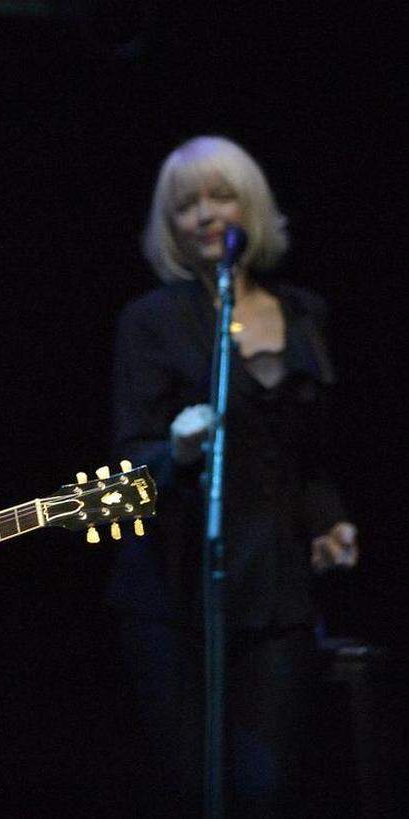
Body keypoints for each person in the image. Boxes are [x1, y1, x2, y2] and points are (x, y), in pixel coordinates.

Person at [108, 135, 358, 816]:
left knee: (266, 786)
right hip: (176, 584)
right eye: (186, 206)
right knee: (192, 788)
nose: (205, 214)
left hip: (277, 586)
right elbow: (130, 456)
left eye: (219, 196)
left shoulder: (304, 313)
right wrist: (176, 451)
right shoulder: (152, 320)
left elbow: (305, 452)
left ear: (250, 202)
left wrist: (330, 518)